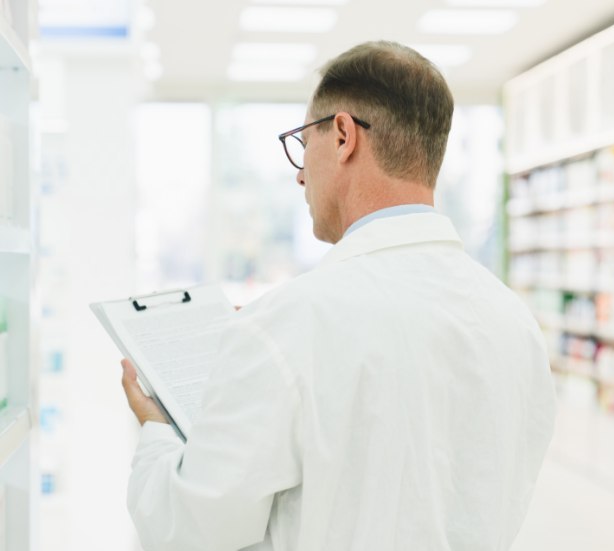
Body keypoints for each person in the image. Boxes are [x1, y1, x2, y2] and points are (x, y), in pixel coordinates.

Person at [121, 41, 556, 551]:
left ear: (344, 136)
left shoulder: (289, 323)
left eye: (304, 144)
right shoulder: (513, 322)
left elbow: (192, 531)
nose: (301, 174)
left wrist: (155, 431)